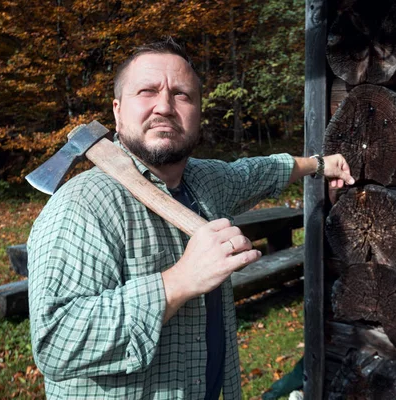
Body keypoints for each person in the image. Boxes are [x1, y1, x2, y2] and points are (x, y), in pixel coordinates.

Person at [27, 37, 354, 400]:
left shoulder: (204, 181)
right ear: (117, 111)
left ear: (198, 111)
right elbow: (55, 344)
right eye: (147, 91)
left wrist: (320, 165)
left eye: (182, 94)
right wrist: (178, 282)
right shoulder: (81, 205)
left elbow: (256, 172)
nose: (165, 106)